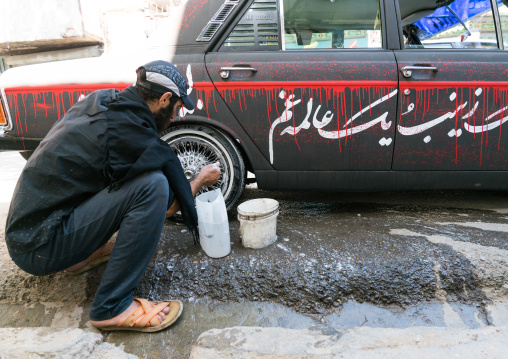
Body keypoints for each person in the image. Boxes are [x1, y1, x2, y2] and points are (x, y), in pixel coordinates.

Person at [4, 60, 220, 332]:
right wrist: (200, 178)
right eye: (176, 107)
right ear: (164, 99)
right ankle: (112, 306)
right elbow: (166, 208)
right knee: (153, 186)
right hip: (38, 247)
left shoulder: (105, 100)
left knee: (118, 178)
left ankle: (80, 256)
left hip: (30, 231)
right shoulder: (127, 136)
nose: (176, 116)